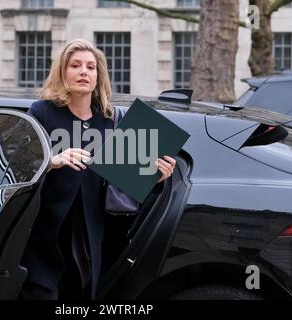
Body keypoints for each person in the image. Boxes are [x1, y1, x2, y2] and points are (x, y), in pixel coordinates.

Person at [20, 39, 176, 300]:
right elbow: (19, 167)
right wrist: (53, 161)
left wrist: (157, 176)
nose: (84, 72)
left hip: (93, 234)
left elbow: (125, 185)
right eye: (76, 65)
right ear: (62, 72)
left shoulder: (111, 119)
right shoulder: (42, 112)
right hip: (46, 233)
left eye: (91, 67)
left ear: (98, 76)